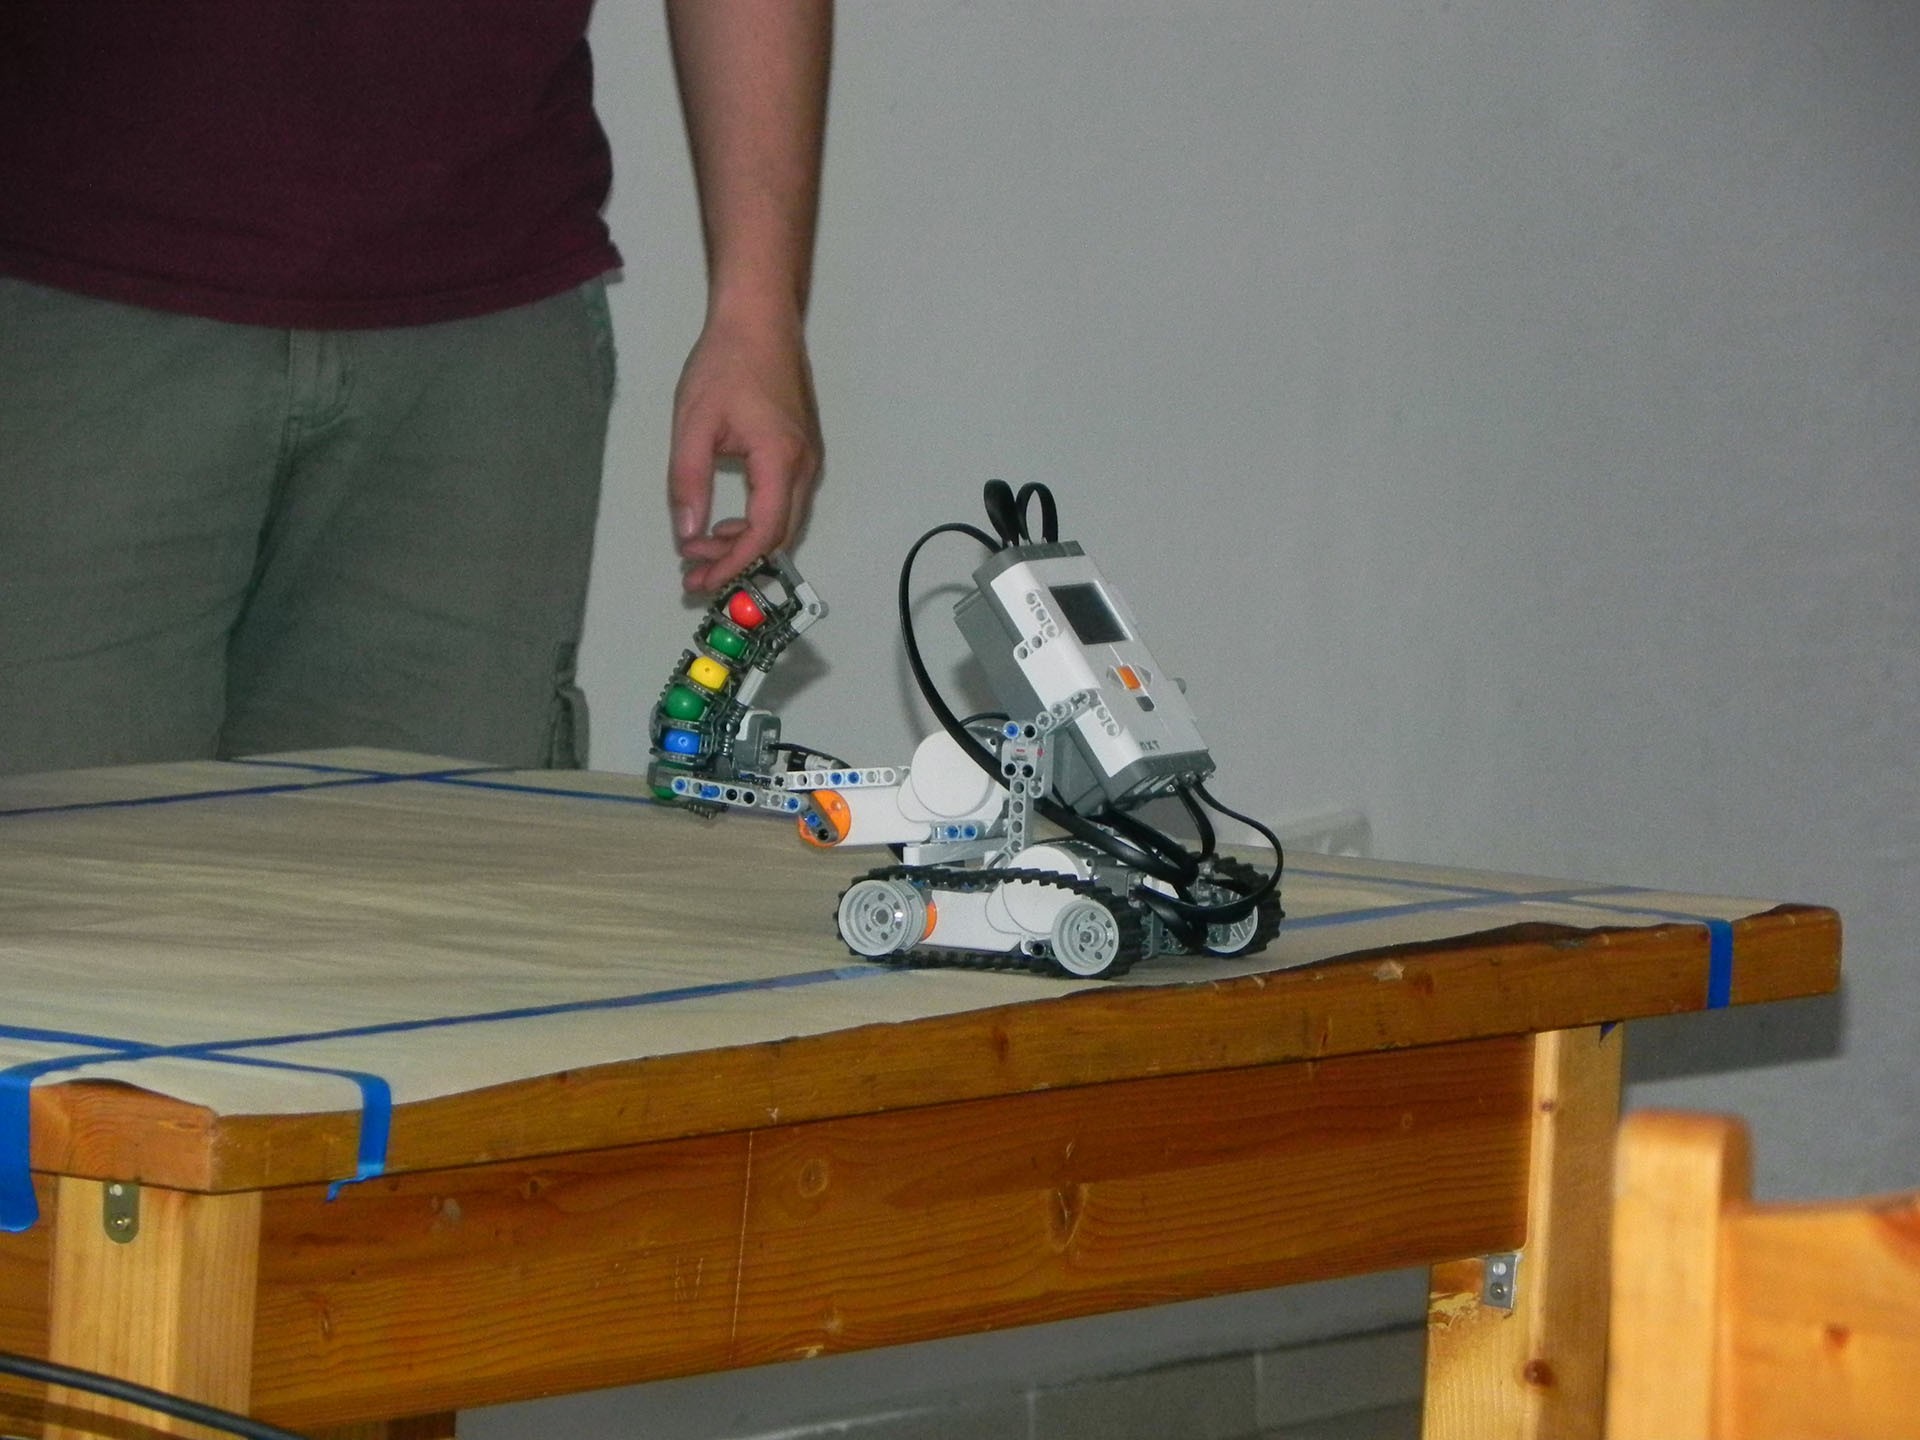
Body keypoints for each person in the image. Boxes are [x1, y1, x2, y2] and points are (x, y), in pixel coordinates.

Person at [0, 0, 829, 777]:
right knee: (60, 860)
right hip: (62, 294)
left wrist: (760, 310)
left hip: (484, 333)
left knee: (423, 864)